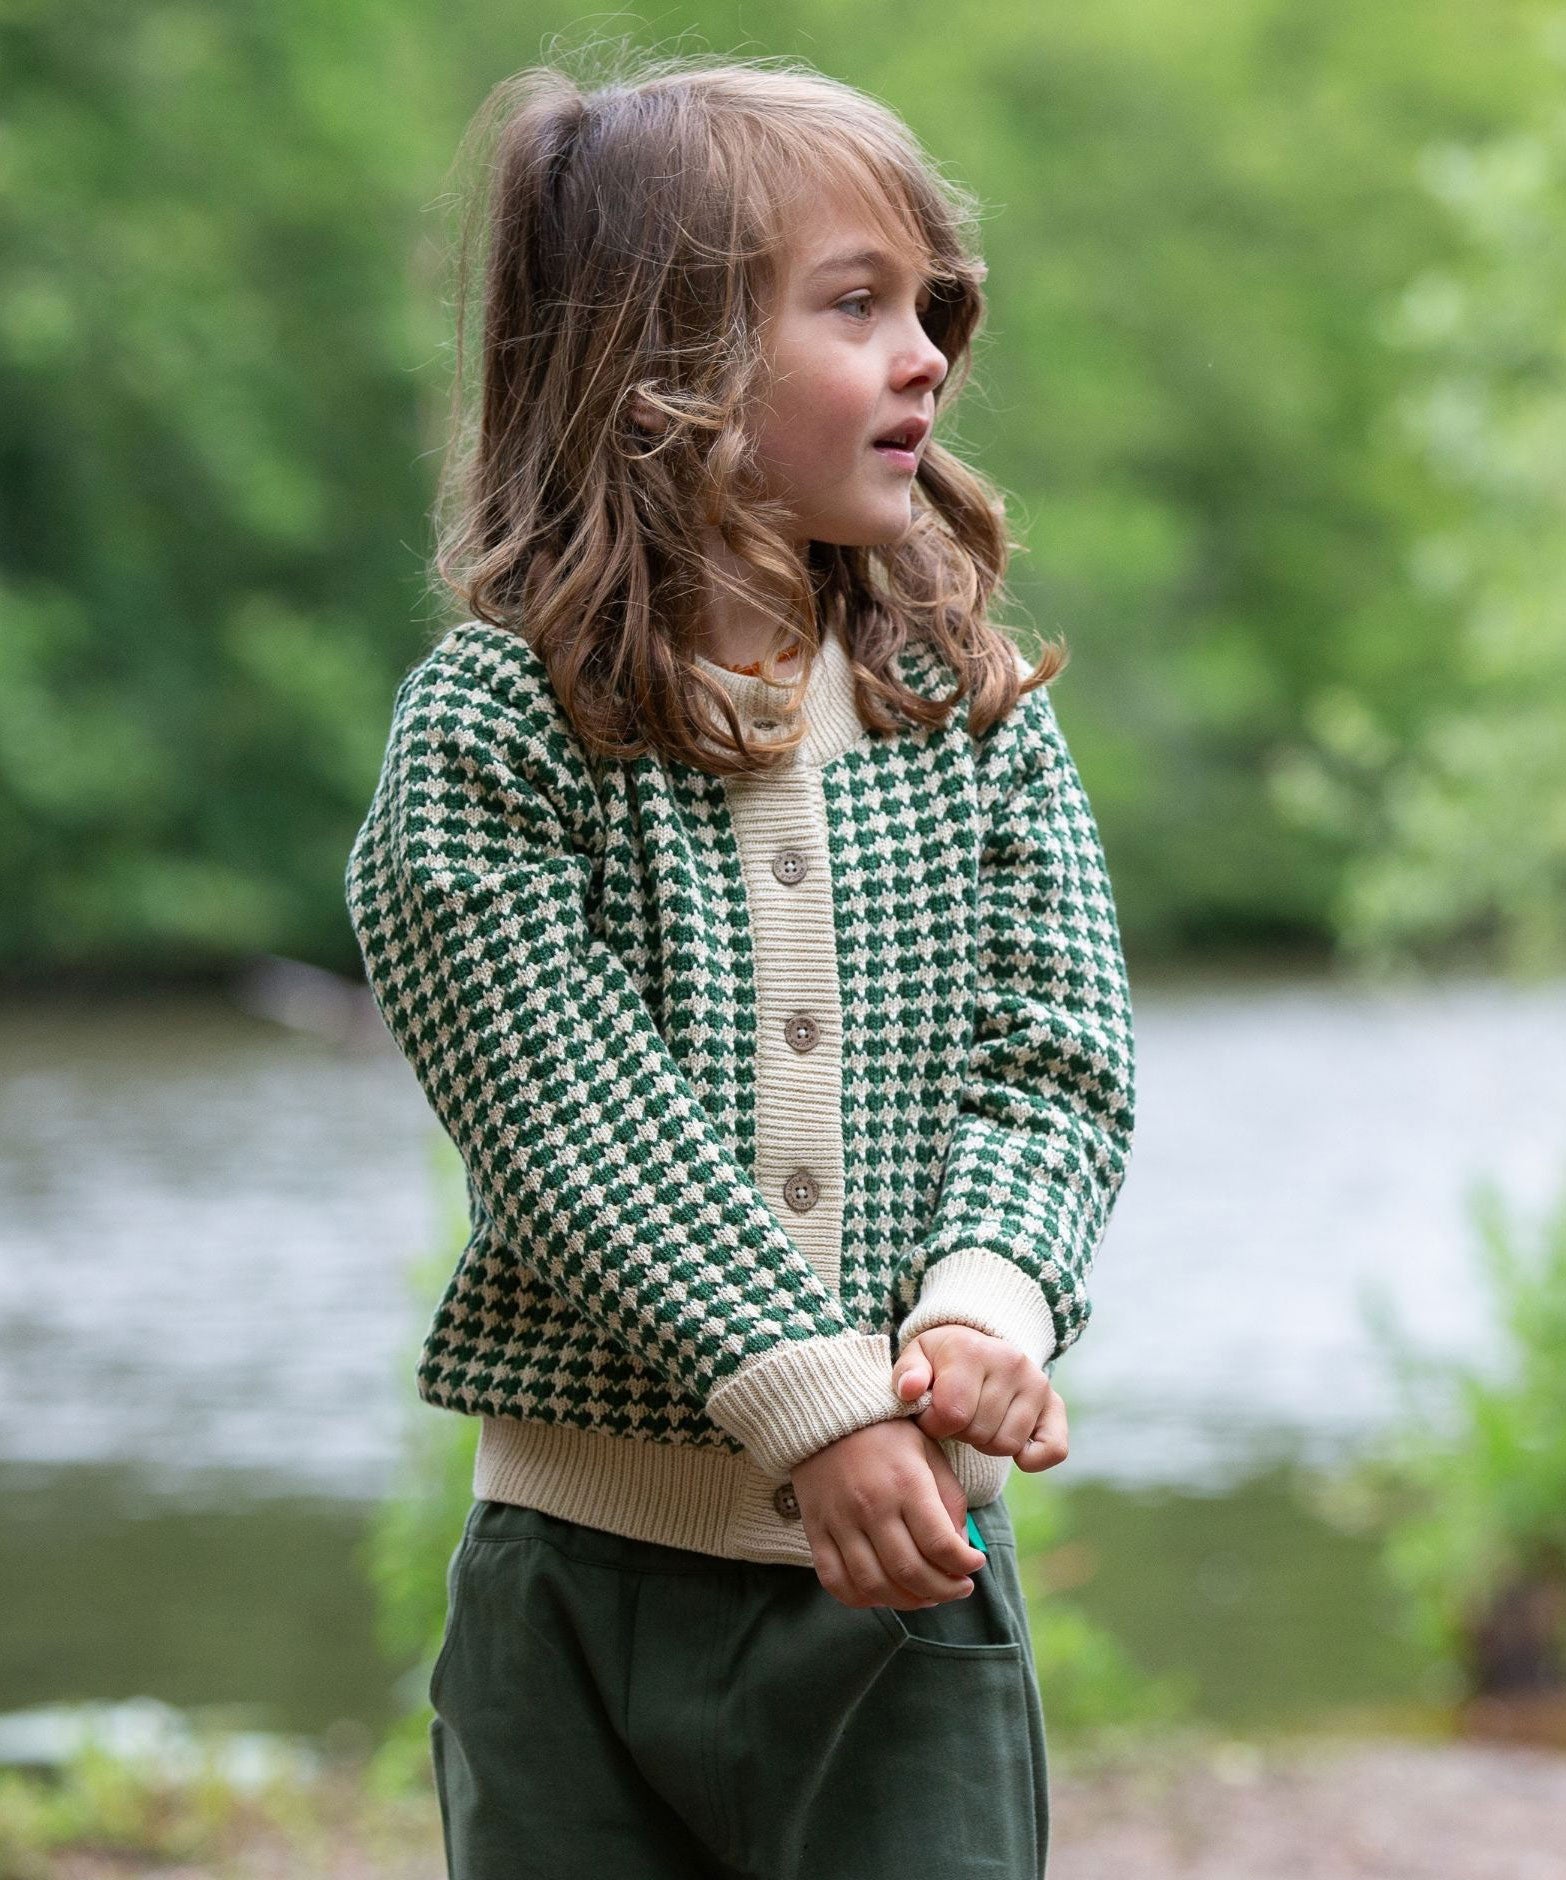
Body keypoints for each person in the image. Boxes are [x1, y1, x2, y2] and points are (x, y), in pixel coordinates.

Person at [344, 49, 1137, 1880]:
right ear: (660, 374)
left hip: (908, 1583)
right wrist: (806, 1397)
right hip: (578, 1591)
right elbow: (566, 1118)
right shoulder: (496, 735)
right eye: (854, 305)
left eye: (929, 304)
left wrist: (980, 1313)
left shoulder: (968, 710)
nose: (928, 352)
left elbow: (1058, 1057)